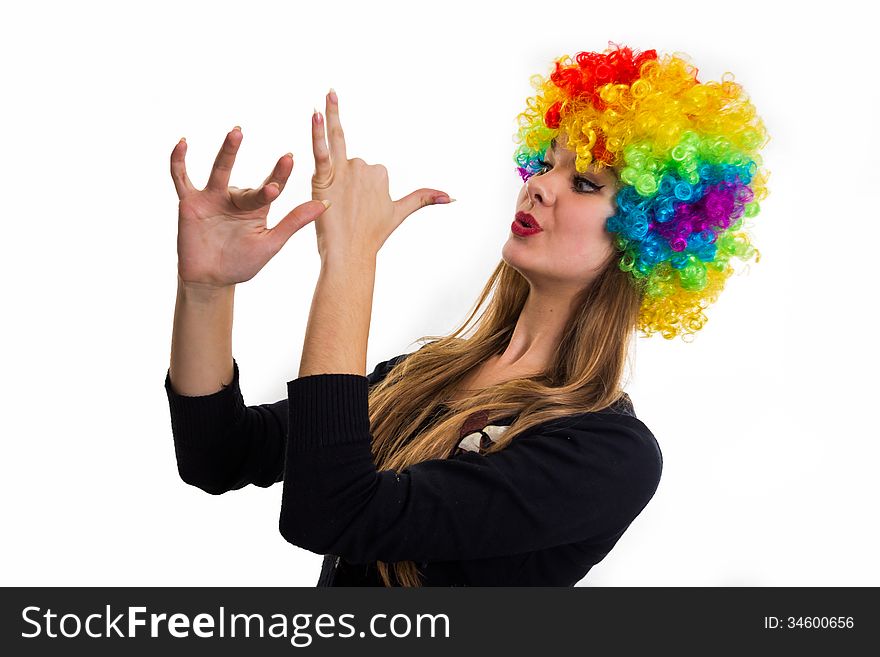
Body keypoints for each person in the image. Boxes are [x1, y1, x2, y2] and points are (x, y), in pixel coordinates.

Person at [165, 43, 769, 587]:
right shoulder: (429, 373)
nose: (538, 187)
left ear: (651, 236)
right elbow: (218, 454)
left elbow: (330, 512)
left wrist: (349, 261)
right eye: (546, 164)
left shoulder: (608, 454)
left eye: (584, 183)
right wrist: (207, 289)